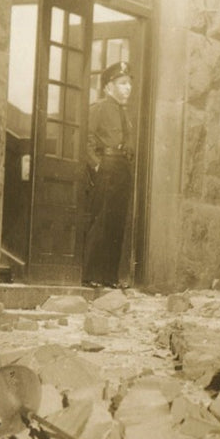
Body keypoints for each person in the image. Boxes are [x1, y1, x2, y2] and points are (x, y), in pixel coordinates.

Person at [83, 62, 135, 287]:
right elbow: (85, 137)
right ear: (108, 87)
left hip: (122, 169)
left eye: (129, 84)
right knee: (101, 221)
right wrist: (96, 165)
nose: (128, 89)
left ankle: (110, 277)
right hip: (106, 168)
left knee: (117, 223)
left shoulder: (124, 114)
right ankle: (90, 275)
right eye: (122, 84)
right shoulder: (99, 108)